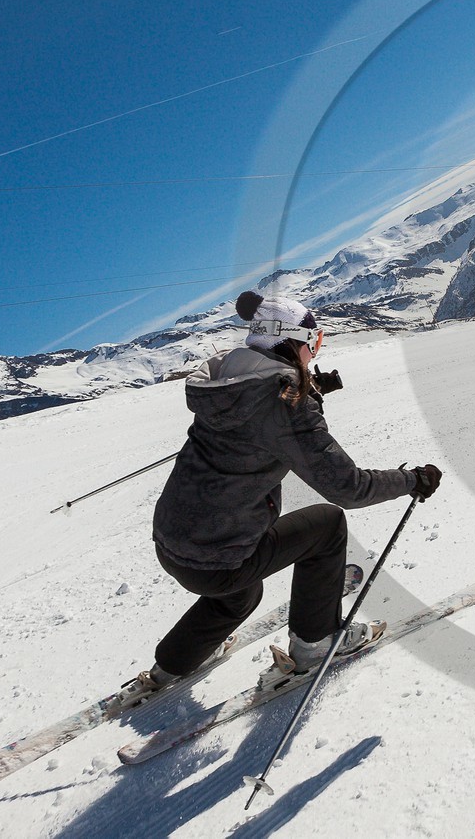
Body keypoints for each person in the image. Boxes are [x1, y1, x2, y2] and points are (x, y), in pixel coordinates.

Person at [128, 290, 441, 697]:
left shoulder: (224, 383)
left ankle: (173, 663)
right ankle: (315, 645)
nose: (315, 352)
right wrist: (412, 480)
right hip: (216, 559)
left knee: (239, 593)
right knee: (327, 525)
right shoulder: (286, 405)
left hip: (172, 543)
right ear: (295, 342)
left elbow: (257, 412)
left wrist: (309, 389)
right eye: (314, 342)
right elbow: (348, 488)